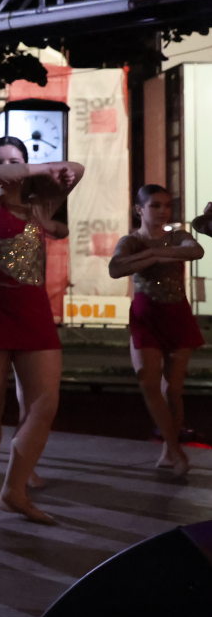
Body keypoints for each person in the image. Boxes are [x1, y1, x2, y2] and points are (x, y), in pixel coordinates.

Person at [0, 135, 83, 524]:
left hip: (33, 309)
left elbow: (78, 169)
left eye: (15, 161)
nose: (7, 168)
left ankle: (13, 488)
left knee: (44, 403)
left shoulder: (38, 207)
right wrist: (38, 168)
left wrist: (45, 172)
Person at [109, 184, 202, 478]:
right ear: (139, 209)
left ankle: (168, 451)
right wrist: (155, 255)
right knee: (148, 383)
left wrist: (153, 254)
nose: (163, 211)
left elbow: (196, 250)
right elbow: (115, 267)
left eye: (167, 205)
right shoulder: (131, 240)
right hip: (146, 315)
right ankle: (175, 450)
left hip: (177, 315)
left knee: (172, 389)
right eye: (155, 206)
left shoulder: (178, 235)